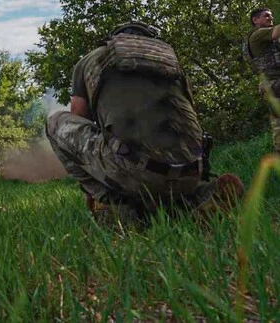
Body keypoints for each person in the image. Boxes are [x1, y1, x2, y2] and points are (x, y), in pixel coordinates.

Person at [47, 21, 244, 222]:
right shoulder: (172, 64)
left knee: (56, 122)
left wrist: (93, 187)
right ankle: (199, 197)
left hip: (132, 170)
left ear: (115, 38)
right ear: (151, 39)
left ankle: (116, 205)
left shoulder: (91, 59)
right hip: (191, 171)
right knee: (167, 173)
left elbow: (78, 118)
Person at [243, 7, 280, 152]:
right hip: (274, 84)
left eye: (271, 16)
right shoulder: (258, 35)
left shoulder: (265, 36)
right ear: (255, 20)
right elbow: (277, 31)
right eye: (266, 16)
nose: (270, 18)